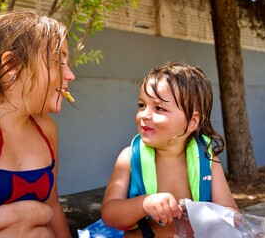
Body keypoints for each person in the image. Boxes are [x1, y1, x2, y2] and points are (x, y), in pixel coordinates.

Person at [0, 10, 76, 237]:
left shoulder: (46, 129)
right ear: (11, 65)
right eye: (58, 61)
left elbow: (53, 207)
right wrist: (18, 215)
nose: (70, 75)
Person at [101, 62, 238, 237]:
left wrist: (206, 217)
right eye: (142, 105)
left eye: (159, 108)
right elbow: (109, 214)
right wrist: (144, 203)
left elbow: (231, 212)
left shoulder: (206, 157)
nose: (144, 115)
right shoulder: (129, 158)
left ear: (192, 122)